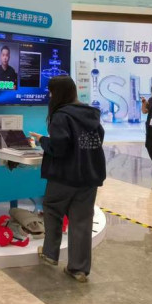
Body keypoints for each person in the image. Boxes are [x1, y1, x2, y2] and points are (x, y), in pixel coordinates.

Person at [30, 75, 105, 283]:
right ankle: (79, 269)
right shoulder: (91, 114)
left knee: (52, 209)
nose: (49, 96)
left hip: (65, 176)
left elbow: (59, 147)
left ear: (59, 93)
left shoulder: (61, 116)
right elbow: (98, 139)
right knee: (82, 221)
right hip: (89, 176)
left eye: (51, 92)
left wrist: (42, 140)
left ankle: (50, 254)